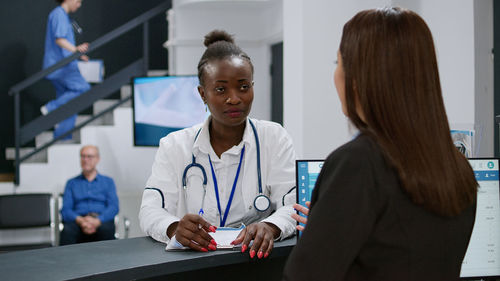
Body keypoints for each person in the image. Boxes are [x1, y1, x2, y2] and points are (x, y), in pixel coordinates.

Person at [283, 7, 478, 281]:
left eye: (337, 63)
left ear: (359, 78)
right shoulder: (457, 168)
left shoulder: (359, 163)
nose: (335, 75)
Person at [139, 30, 297, 258]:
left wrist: (270, 226)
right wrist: (175, 228)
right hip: (193, 263)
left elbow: (293, 204)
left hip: (254, 262)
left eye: (243, 87)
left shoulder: (274, 138)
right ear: (203, 94)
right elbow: (150, 210)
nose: (234, 98)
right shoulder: (174, 146)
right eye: (221, 89)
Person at [41, 0, 91, 140]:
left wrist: (77, 54)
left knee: (70, 106)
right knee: (83, 89)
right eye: (78, 1)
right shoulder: (59, 14)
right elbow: (59, 39)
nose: (79, 4)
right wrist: (76, 50)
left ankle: (63, 138)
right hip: (62, 67)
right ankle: (52, 107)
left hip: (61, 65)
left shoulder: (62, 15)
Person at [60, 145, 119, 245]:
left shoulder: (108, 182)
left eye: (90, 156)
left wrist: (97, 221)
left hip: (101, 220)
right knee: (67, 231)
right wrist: (81, 221)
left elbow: (114, 207)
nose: (85, 160)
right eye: (83, 156)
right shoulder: (71, 183)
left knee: (106, 230)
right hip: (78, 220)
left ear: (97, 159)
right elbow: (66, 210)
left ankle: (108, 261)